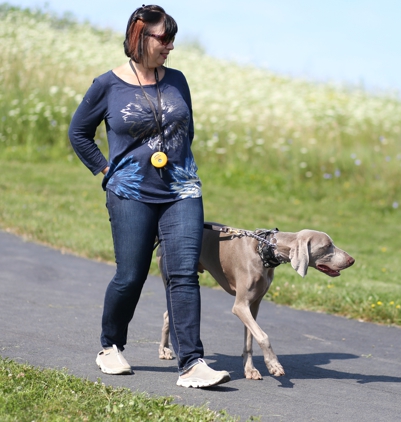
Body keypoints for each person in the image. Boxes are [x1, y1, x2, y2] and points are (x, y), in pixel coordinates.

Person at [68, 4, 230, 388]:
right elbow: (79, 133)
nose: (170, 46)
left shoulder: (177, 80)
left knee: (183, 274)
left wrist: (178, 167)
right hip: (130, 192)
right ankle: (110, 346)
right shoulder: (107, 84)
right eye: (163, 37)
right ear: (139, 36)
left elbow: (186, 130)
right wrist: (108, 171)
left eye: (173, 38)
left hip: (181, 191)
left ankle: (191, 363)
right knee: (131, 275)